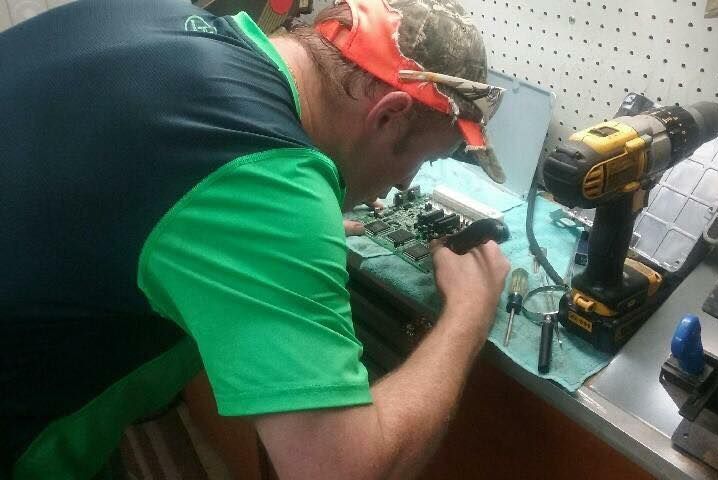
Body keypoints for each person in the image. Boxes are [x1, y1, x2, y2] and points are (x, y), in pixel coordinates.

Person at [0, 0, 510, 478]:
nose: (404, 184)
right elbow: (337, 469)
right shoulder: (261, 182)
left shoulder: (166, 17)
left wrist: (266, 233)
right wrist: (469, 312)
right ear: (388, 114)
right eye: (417, 159)